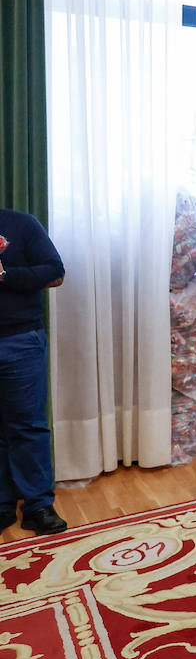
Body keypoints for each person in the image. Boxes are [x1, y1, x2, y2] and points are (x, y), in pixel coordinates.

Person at [0, 209, 66, 535]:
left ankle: (38, 505)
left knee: (28, 425)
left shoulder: (21, 224)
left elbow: (56, 271)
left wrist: (4, 275)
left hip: (18, 339)